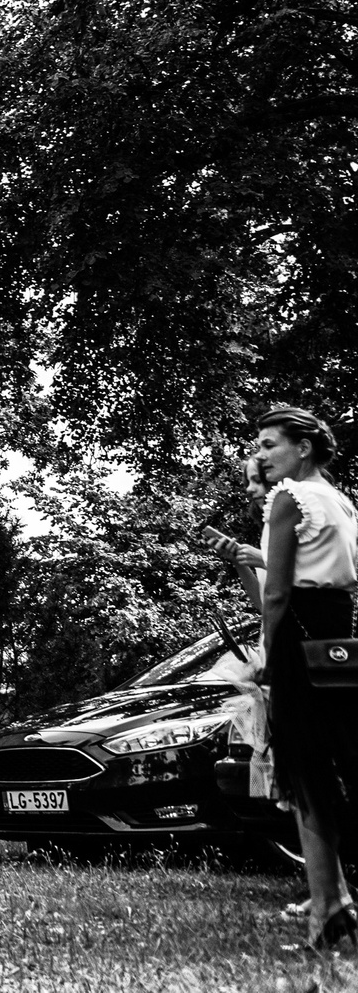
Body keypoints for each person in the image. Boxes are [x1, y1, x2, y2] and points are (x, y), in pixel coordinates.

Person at [249, 406, 358, 948]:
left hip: (298, 636)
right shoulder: (339, 499)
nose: (261, 455)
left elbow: (277, 591)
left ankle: (328, 911)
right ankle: (333, 900)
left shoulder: (289, 499)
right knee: (333, 762)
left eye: (269, 444)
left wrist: (269, 650)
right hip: (338, 634)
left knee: (304, 771)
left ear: (304, 447)